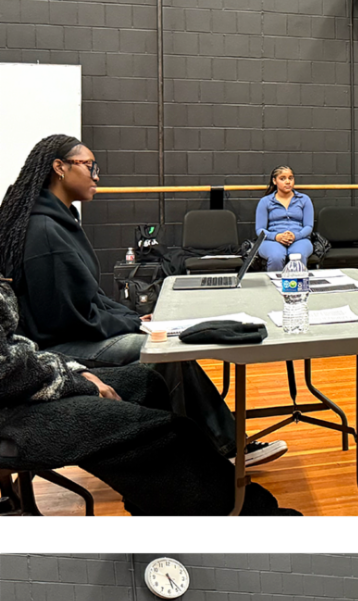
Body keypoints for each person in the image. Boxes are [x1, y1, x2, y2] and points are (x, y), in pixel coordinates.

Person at [0, 134, 286, 467]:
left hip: (76, 333)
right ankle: (217, 449)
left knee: (164, 344)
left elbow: (89, 297)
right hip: (62, 346)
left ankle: (209, 446)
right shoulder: (47, 232)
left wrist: (134, 318)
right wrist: (130, 323)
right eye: (90, 166)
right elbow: (67, 320)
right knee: (164, 350)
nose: (96, 175)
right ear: (59, 168)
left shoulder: (61, 222)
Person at [0, 281, 298, 516]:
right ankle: (246, 512)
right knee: (158, 430)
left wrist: (74, 371)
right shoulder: (45, 233)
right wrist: (76, 381)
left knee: (146, 384)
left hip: (18, 381)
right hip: (8, 408)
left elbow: (13, 346)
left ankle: (156, 509)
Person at [256, 165, 315, 272]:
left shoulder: (304, 200)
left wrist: (295, 235)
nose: (287, 182)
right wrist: (276, 237)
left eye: (290, 178)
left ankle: (297, 286)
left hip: (300, 238)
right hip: (272, 239)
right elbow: (260, 230)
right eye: (282, 179)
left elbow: (309, 226)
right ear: (275, 181)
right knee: (276, 257)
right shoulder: (265, 201)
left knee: (298, 256)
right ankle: (274, 286)